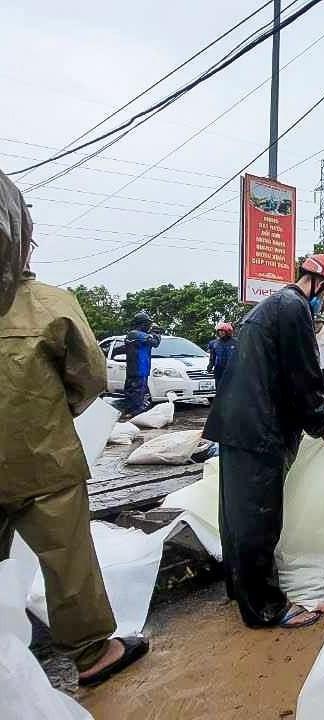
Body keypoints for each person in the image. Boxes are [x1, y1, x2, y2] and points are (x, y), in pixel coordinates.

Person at [0, 170, 148, 686]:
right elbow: (89, 379)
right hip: (44, 461)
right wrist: (45, 412)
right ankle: (92, 653)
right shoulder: (50, 304)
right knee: (67, 560)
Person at [203, 253, 324, 629]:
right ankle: (265, 608)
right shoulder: (294, 308)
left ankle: (241, 591)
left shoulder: (273, 305)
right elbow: (301, 377)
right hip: (260, 428)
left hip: (241, 424)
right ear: (319, 283)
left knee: (237, 516)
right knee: (260, 519)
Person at [122, 310, 161, 416]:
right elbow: (155, 342)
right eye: (147, 324)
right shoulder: (136, 334)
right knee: (137, 394)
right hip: (139, 370)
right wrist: (156, 331)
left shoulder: (135, 335)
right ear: (142, 324)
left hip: (137, 370)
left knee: (139, 394)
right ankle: (134, 413)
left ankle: (132, 412)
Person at [207, 321, 237, 387]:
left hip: (232, 370)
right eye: (219, 331)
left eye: (223, 331)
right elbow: (213, 357)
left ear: (228, 332)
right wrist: (210, 365)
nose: (221, 333)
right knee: (219, 389)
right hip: (219, 371)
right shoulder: (214, 343)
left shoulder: (236, 342)